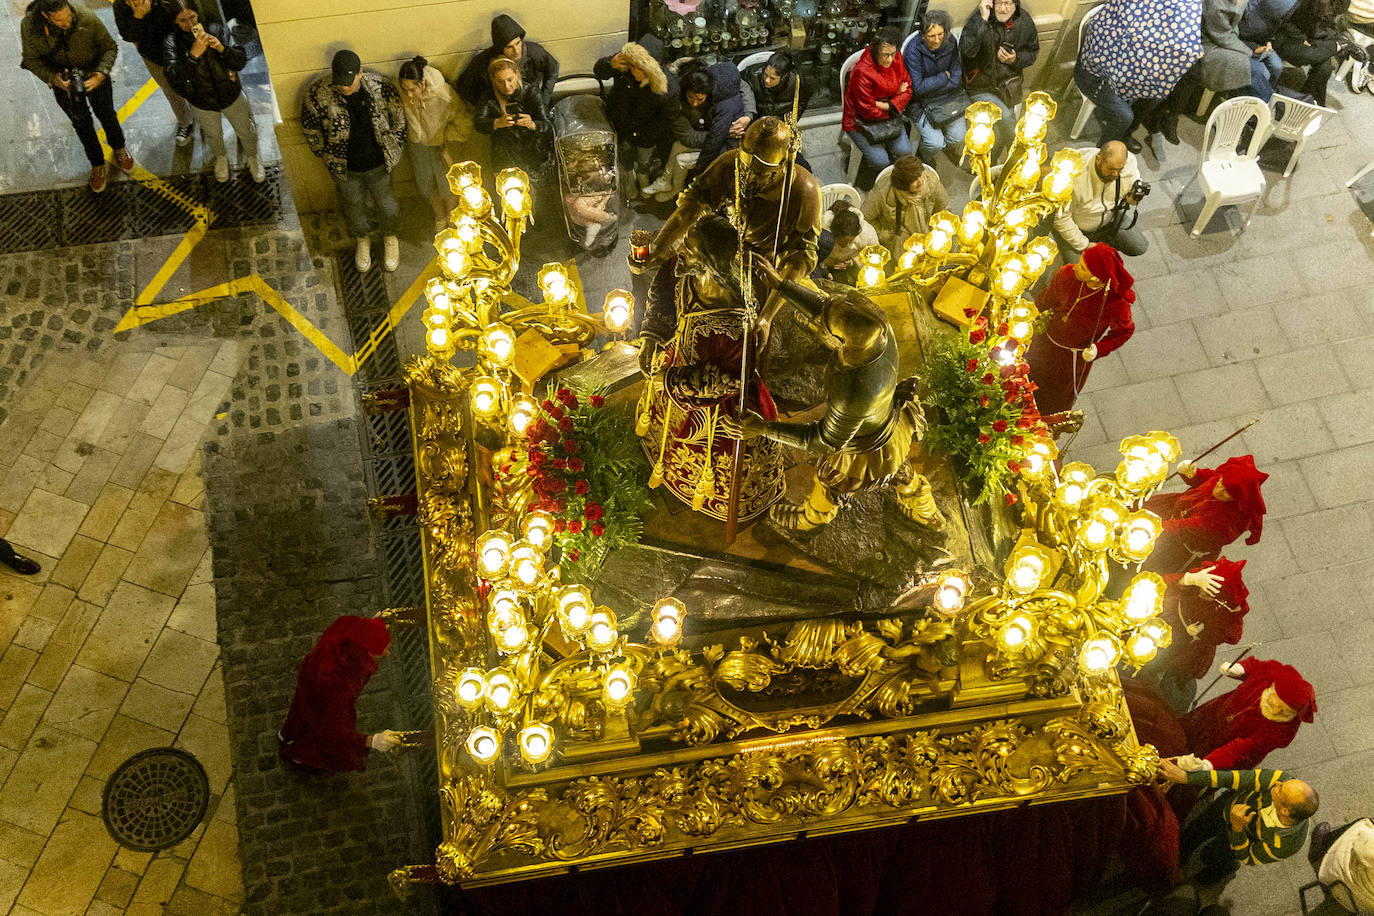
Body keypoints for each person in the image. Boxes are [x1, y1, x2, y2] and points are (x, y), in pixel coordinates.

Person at [735, 259, 945, 533]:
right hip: (891, 424)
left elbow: (823, 441)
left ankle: (811, 519)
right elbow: (828, 310)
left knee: (831, 483)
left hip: (863, 448)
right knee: (900, 471)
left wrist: (763, 427)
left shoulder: (853, 394)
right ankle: (926, 513)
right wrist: (783, 286)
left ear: (839, 342)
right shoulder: (878, 331)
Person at [301, 49, 406, 273]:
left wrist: (394, 147)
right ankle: (362, 240)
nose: (344, 87)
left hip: (379, 164)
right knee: (354, 206)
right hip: (345, 168)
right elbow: (311, 129)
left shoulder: (380, 86)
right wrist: (326, 155)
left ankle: (390, 237)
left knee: (387, 205)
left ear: (360, 72)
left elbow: (398, 118)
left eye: (349, 82)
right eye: (340, 83)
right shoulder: (318, 93)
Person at [20, 0, 135, 194]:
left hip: (94, 75)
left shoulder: (86, 18)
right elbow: (30, 59)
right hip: (64, 84)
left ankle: (119, 148)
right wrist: (52, 78)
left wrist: (100, 74)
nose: (67, 23)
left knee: (107, 114)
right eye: (60, 21)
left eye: (68, 17)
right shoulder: (29, 26)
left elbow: (110, 47)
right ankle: (97, 164)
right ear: (46, 16)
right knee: (81, 123)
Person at [1160, 757, 1319, 884]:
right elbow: (1234, 778)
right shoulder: (1284, 780)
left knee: (1212, 855)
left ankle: (1222, 869)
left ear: (1285, 811)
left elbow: (1249, 856)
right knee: (1195, 830)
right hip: (1226, 808)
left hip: (1240, 838)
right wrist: (1186, 777)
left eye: (1280, 790)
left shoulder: (1286, 844)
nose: (1276, 784)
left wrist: (1237, 829)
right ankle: (1175, 860)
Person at [278, 616, 403, 771]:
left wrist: (373, 627)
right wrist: (372, 741)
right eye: (380, 650)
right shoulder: (337, 682)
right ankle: (297, 754)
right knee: (320, 735)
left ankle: (287, 735)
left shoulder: (347, 628)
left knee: (300, 712)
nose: (387, 653)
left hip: (310, 679)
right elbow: (335, 729)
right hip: (324, 698)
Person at [1074, 0, 1203, 150]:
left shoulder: (1157, 17)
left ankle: (1125, 134)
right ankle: (1104, 150)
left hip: (1126, 70)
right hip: (1096, 76)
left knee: (1157, 95)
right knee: (1124, 116)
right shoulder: (1123, 13)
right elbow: (1101, 61)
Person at [1025, 243, 1136, 415]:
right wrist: (1030, 313)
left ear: (1096, 278)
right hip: (1045, 342)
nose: (1076, 267)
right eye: (1080, 261)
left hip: (1070, 360)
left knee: (1052, 400)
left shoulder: (1116, 304)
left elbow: (1124, 331)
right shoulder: (1067, 274)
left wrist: (1099, 349)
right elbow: (1045, 300)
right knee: (1023, 379)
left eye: (1083, 267)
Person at [164, 0, 263, 184]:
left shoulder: (216, 29)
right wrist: (192, 56)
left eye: (192, 17)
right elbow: (175, 81)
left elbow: (240, 60)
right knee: (213, 134)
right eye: (183, 20)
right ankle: (221, 157)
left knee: (246, 130)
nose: (191, 24)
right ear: (175, 22)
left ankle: (253, 157)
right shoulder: (172, 42)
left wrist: (222, 48)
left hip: (230, 94)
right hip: (202, 101)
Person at [1144, 0, 1262, 145]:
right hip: (1194, 34)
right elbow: (1219, 33)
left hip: (1207, 34)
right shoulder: (1217, 4)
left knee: (1261, 68)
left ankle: (1251, 122)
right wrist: (1248, 51)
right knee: (1195, 70)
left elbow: (1229, 29)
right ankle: (1163, 115)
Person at [1146, 558, 1250, 711]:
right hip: (1169, 618)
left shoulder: (1226, 610)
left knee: (1170, 665)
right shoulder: (1201, 579)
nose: (1202, 594)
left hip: (1189, 646)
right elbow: (1163, 583)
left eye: (1207, 595)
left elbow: (1232, 636)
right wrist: (1190, 579)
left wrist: (1204, 632)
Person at [1181, 656, 1316, 770]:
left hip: (1226, 746)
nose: (1275, 711)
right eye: (1275, 703)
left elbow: (1239, 749)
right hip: (1216, 712)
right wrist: (1239, 669)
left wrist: (1209, 763)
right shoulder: (1272, 671)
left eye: (1283, 711)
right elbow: (1254, 665)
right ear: (1272, 687)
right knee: (1185, 730)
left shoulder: (1283, 732)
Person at [642, 61, 749, 200]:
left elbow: (715, 140)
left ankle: (677, 190)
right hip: (718, 138)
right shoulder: (717, 89)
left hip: (726, 148)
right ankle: (665, 181)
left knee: (681, 160)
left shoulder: (724, 107)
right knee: (677, 146)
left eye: (699, 99)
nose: (694, 103)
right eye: (690, 97)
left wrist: (701, 171)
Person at [1144, 455, 1268, 574]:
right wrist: (1192, 473)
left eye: (1226, 493)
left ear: (1236, 498)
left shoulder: (1222, 521)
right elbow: (1207, 478)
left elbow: (1183, 526)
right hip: (1176, 510)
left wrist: (1151, 525)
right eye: (1220, 483)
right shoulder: (1223, 480)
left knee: (1153, 564)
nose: (1218, 490)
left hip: (1181, 542)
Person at [595, 39, 679, 199]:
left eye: (641, 69)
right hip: (621, 125)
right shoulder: (624, 67)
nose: (635, 72)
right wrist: (609, 63)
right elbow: (599, 72)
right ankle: (629, 179)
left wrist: (638, 135)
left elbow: (666, 121)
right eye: (633, 67)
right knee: (624, 155)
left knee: (644, 159)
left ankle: (642, 178)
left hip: (645, 135)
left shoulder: (668, 89)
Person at [113, 0, 195, 147]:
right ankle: (185, 122)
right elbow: (128, 35)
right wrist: (138, 17)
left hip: (182, 48)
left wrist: (154, 9)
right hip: (154, 56)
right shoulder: (121, 5)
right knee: (170, 90)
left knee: (196, 80)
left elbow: (178, 17)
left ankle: (203, 113)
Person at [961, 0, 1040, 152]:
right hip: (981, 86)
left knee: (1007, 126)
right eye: (999, 3)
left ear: (1015, 4)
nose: (1003, 9)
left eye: (1008, 3)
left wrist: (1015, 60)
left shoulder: (1024, 20)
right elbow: (967, 52)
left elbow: (1033, 52)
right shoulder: (978, 20)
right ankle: (1020, 156)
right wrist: (983, 20)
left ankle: (995, 159)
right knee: (1008, 120)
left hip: (1008, 85)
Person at [398, 55, 463, 232]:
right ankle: (439, 217)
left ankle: (451, 217)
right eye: (405, 89)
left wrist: (448, 136)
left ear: (423, 83)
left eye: (412, 89)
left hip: (442, 145)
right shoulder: (406, 96)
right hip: (419, 145)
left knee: (448, 185)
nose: (408, 94)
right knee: (427, 184)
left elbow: (464, 120)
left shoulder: (444, 95)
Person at [1051, 142, 1150, 260]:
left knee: (1139, 246)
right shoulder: (1073, 179)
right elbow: (1061, 219)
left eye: (1120, 169)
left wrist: (1133, 196)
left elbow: (1133, 182)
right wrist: (1084, 244)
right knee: (1080, 272)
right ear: (1098, 159)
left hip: (1111, 219)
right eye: (1111, 169)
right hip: (1079, 227)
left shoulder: (1128, 164)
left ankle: (1104, 247)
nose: (1115, 174)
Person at [841, 27, 914, 179]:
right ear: (875, 51)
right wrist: (896, 96)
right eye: (885, 55)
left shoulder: (896, 57)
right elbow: (867, 111)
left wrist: (885, 104)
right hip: (860, 121)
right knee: (880, 161)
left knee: (905, 152)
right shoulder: (862, 72)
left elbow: (908, 88)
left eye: (893, 54)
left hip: (888, 114)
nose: (890, 59)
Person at [454, 14, 559, 110]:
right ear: (500, 48)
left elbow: (553, 68)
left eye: (518, 43)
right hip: (501, 105)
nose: (517, 50)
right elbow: (463, 85)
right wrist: (487, 107)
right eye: (509, 47)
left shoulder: (535, 52)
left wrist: (544, 101)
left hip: (530, 100)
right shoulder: (483, 60)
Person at [904, 11, 970, 161]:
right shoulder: (912, 51)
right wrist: (943, 77)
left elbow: (956, 79)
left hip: (949, 97)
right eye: (931, 36)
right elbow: (918, 88)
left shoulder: (950, 41)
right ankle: (924, 158)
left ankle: (945, 136)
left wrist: (935, 84)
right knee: (935, 144)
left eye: (940, 34)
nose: (937, 40)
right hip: (920, 103)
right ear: (922, 35)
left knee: (959, 138)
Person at [474, 57, 552, 179]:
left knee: (534, 190)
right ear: (493, 80)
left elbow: (548, 124)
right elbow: (478, 123)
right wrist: (497, 123)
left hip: (532, 149)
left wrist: (533, 124)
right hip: (504, 151)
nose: (507, 85)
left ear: (517, 75)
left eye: (510, 79)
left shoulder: (530, 91)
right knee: (508, 190)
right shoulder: (488, 96)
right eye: (500, 81)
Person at [861, 154, 951, 254]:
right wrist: (884, 234)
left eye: (920, 175)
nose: (920, 181)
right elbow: (865, 220)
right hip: (896, 238)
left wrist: (936, 231)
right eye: (914, 180)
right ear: (903, 184)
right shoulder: (882, 192)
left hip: (927, 231)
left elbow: (943, 208)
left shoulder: (930, 181)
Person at [1311, 818, 1374, 911]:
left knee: (1365, 823)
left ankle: (1318, 853)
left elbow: (1363, 845)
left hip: (1347, 887)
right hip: (1364, 906)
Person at [817, 201, 879, 284]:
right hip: (823, 267)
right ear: (836, 234)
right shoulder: (822, 234)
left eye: (851, 241)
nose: (847, 244)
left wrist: (853, 262)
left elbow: (874, 256)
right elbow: (811, 256)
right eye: (844, 241)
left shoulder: (868, 235)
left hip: (853, 266)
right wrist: (824, 269)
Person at [743, 51, 812, 120]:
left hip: (782, 120)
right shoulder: (750, 76)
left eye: (772, 78)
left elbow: (801, 104)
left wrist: (784, 121)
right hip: (754, 118)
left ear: (783, 77)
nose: (767, 80)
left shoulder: (797, 82)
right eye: (765, 74)